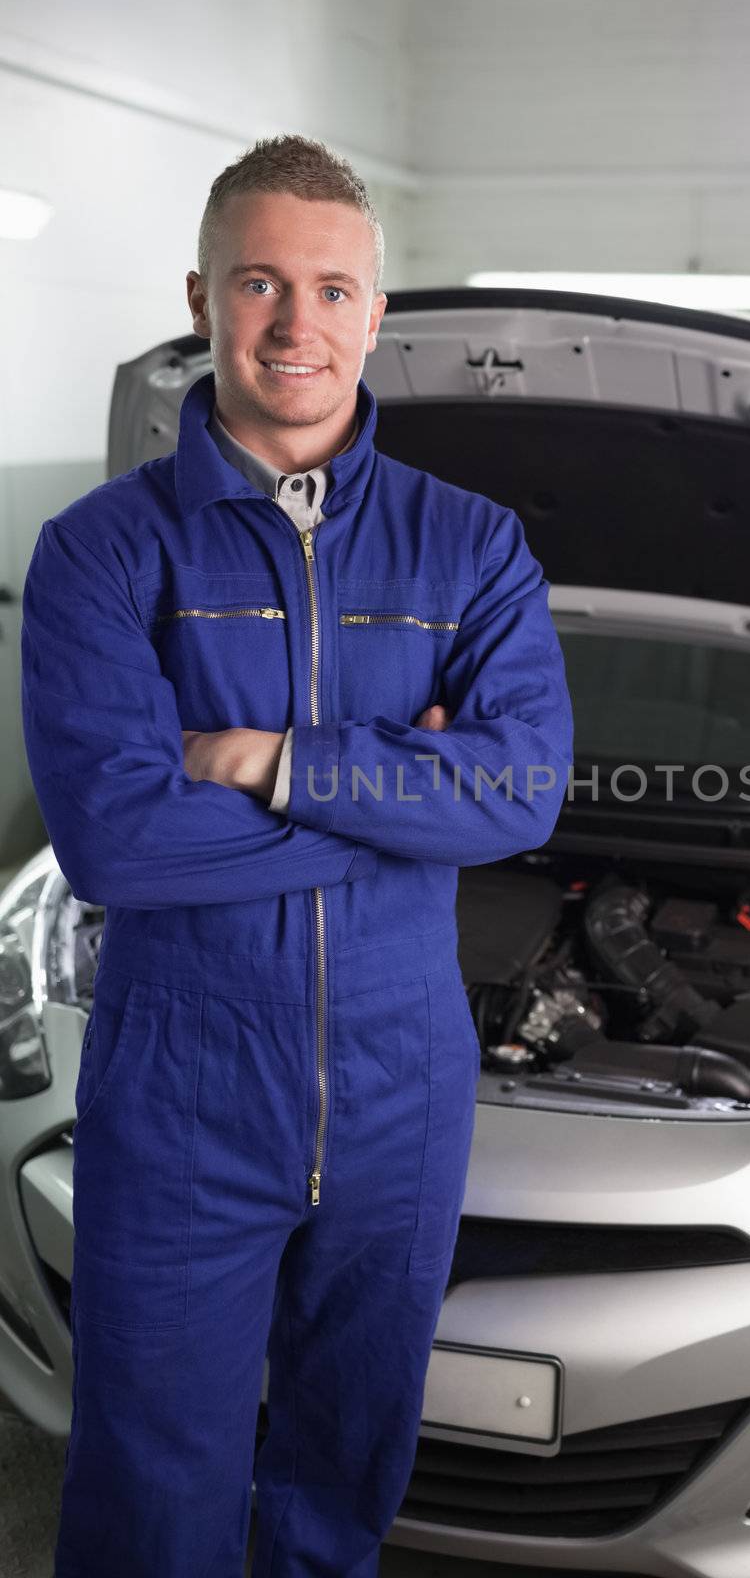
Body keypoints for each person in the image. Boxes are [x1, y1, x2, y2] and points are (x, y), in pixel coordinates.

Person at [20, 133, 574, 1578]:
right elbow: (120, 842)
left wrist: (268, 760)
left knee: (348, 1461)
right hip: (186, 1083)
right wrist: (404, 811)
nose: (295, 323)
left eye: (332, 288)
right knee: (156, 1482)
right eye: (260, 282)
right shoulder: (102, 554)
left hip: (405, 1084)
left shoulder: (475, 548)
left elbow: (521, 796)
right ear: (201, 295)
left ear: (376, 313)